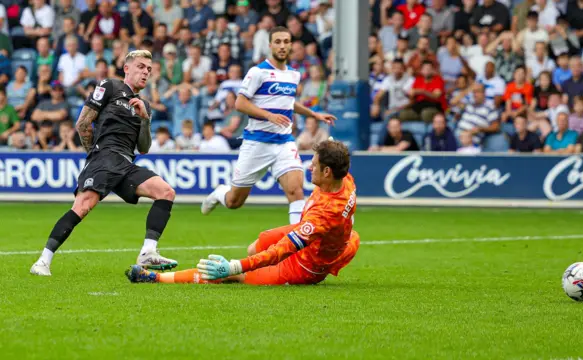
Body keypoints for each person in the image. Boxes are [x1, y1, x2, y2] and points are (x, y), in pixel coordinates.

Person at [126, 140, 359, 286]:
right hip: (321, 241)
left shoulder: (324, 214)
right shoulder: (345, 179)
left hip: (305, 266)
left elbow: (281, 251)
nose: (309, 166)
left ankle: (154, 278)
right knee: (255, 246)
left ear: (327, 171)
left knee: (232, 275)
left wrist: (235, 266)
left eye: (315, 164)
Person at [30, 50, 178, 277]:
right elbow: (82, 124)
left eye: (149, 69)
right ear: (126, 68)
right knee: (82, 207)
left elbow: (145, 148)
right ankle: (42, 261)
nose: (145, 72)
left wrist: (145, 120)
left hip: (127, 163)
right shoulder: (110, 86)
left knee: (165, 192)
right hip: (105, 157)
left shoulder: (144, 105)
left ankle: (148, 252)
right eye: (140, 66)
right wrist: (95, 155)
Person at [200, 27, 336, 225]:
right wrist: (269, 116)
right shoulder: (258, 72)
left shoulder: (293, 75)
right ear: (270, 45)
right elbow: (240, 103)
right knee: (234, 201)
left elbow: (288, 101)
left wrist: (313, 113)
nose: (282, 46)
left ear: (290, 45)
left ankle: (297, 245)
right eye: (278, 42)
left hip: (284, 142)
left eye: (286, 42)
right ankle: (220, 193)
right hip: (257, 142)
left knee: (296, 191)